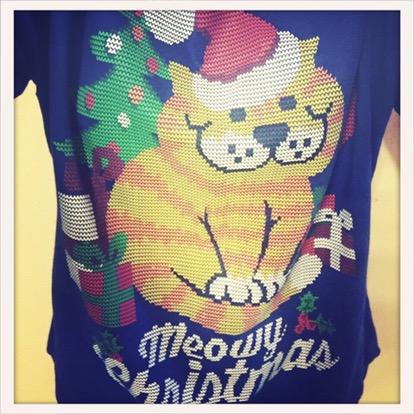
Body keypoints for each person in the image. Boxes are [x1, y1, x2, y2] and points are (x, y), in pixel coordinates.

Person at [14, 10, 400, 404]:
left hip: (308, 376)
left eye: (287, 103)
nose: (271, 129)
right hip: (115, 377)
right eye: (239, 114)